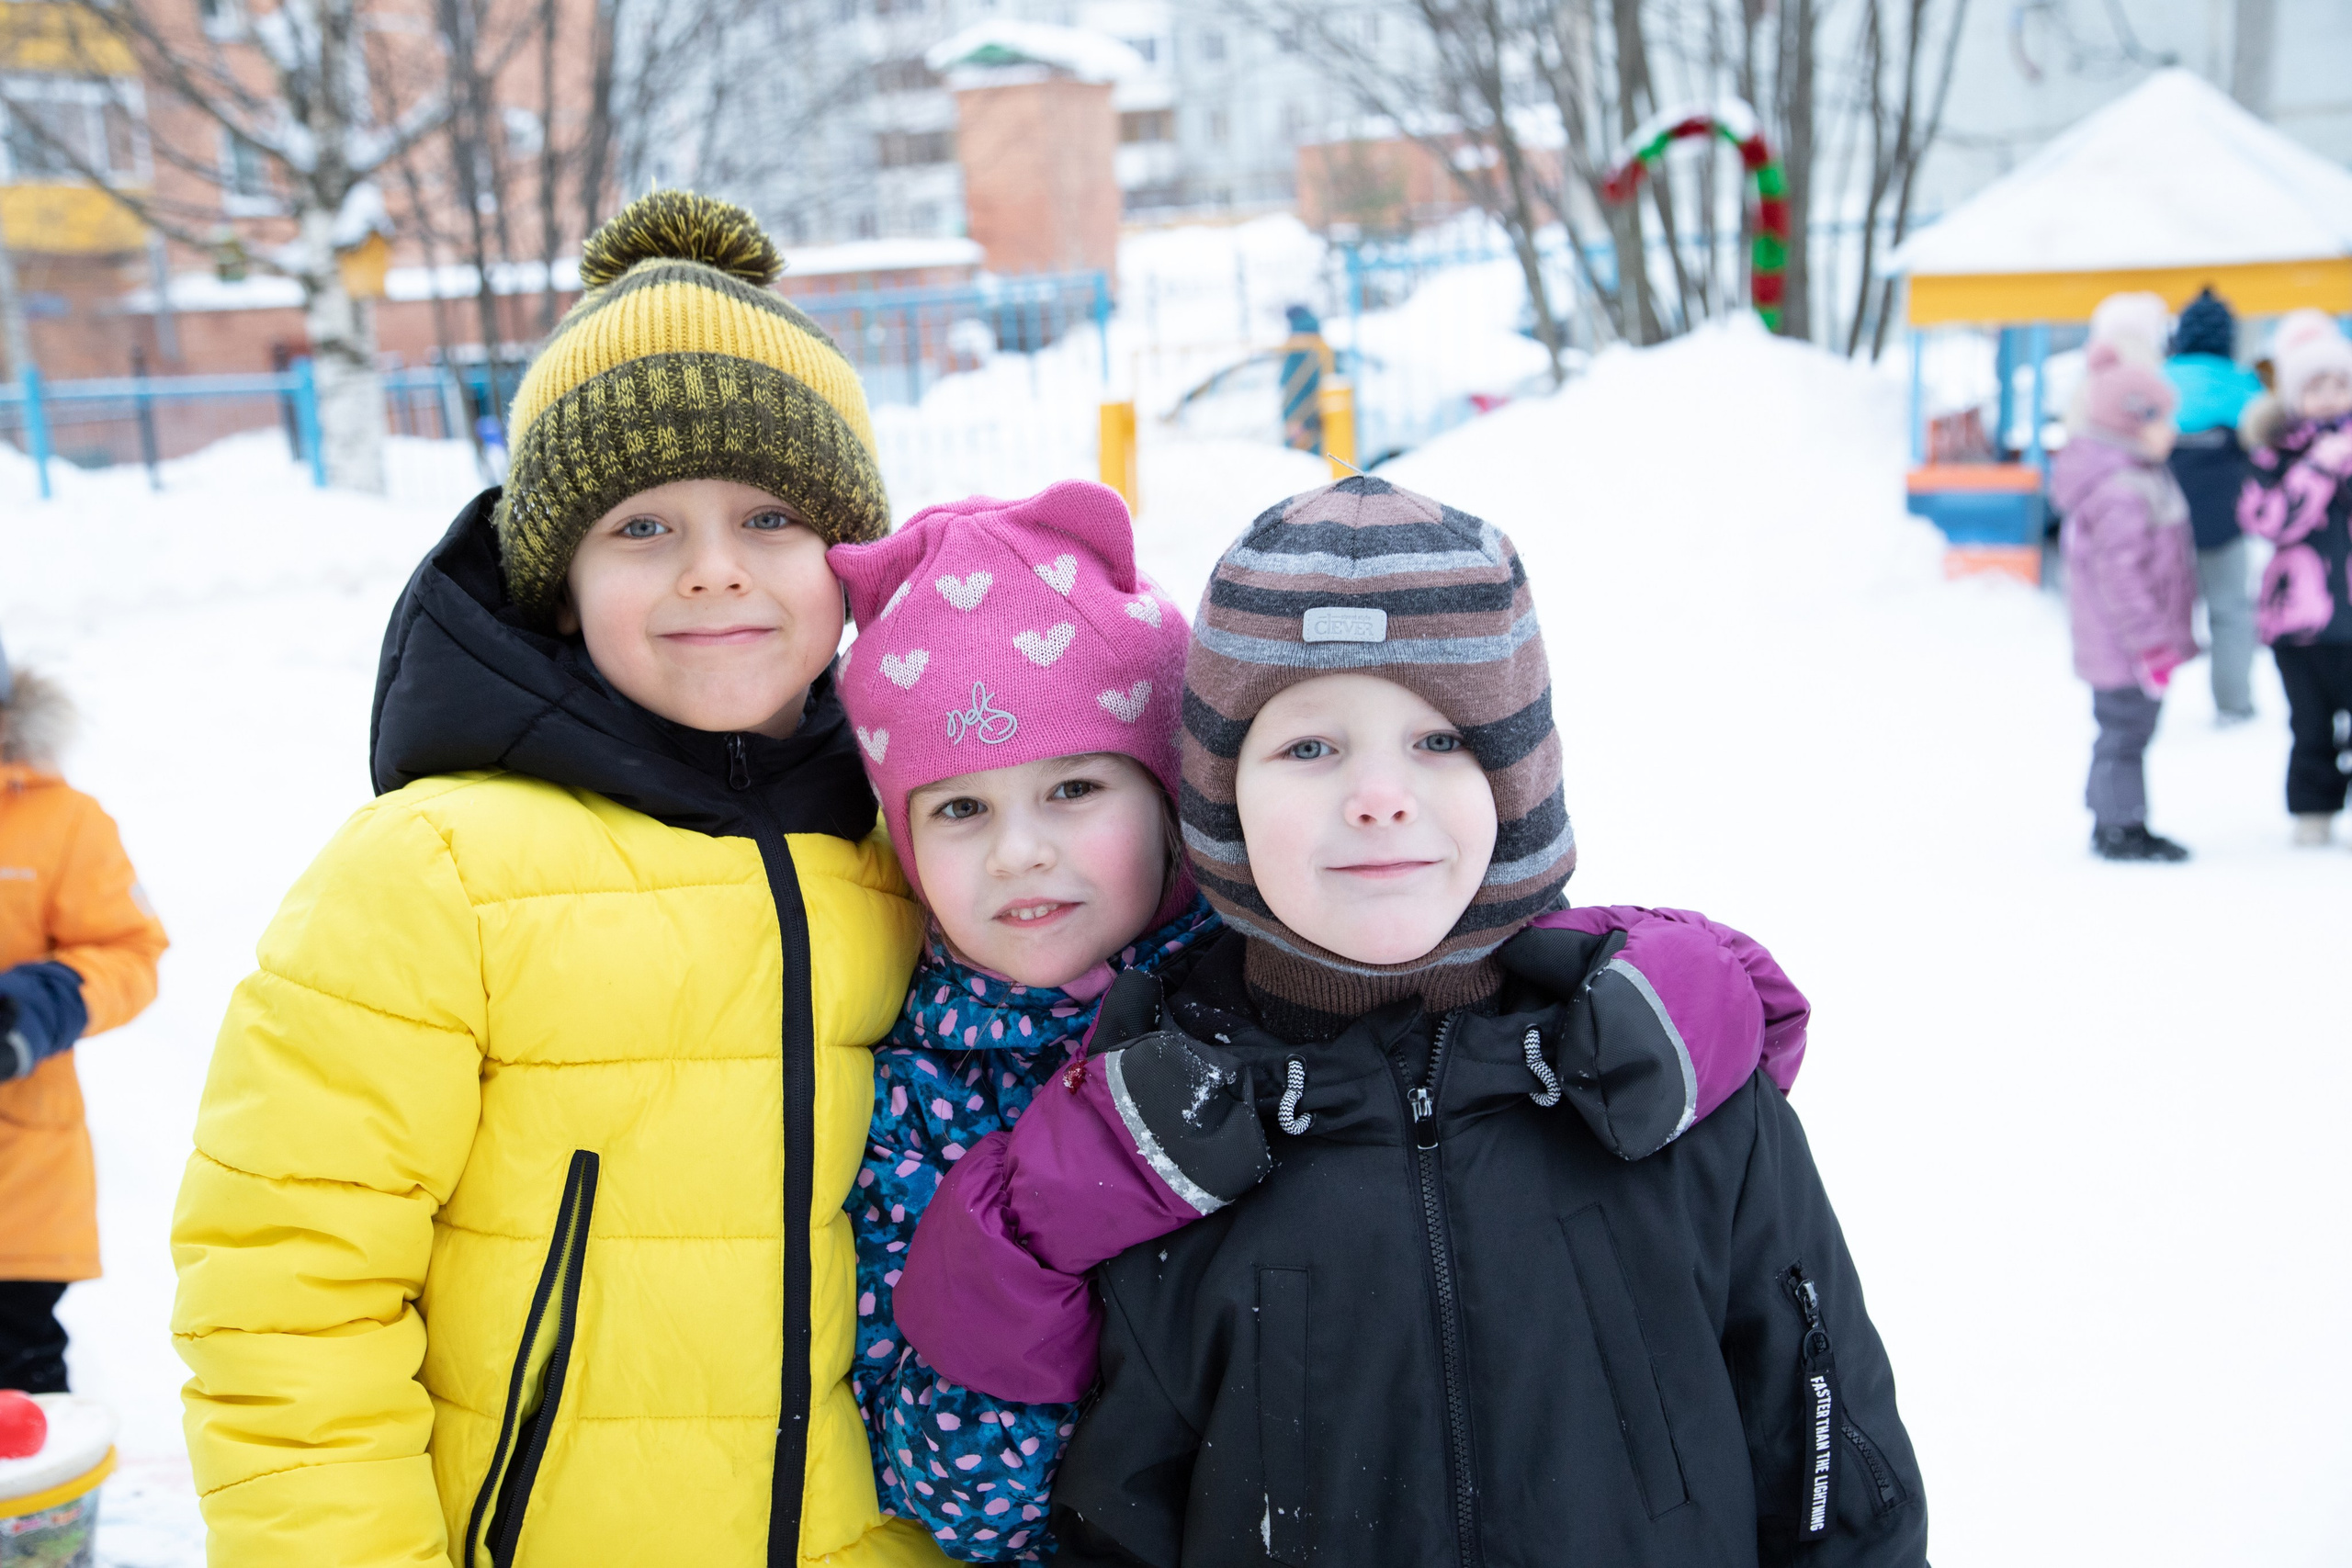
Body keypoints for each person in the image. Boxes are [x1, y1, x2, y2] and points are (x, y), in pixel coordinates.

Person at [168, 192, 953, 1567]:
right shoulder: (435, 874)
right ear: (559, 577)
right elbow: (286, 1297)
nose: (715, 572)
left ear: (848, 557)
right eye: (641, 527)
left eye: (771, 514)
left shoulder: (923, 851)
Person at [827, 481, 1810, 1563]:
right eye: (960, 809)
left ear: (1174, 799)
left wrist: (1698, 984)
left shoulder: (1263, 1026)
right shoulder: (925, 1089)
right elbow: (987, 1500)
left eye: (1074, 789)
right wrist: (1031, 1236)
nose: (1020, 853)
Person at [1041, 476, 1922, 1566]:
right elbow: (1116, 1520)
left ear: (1521, 777)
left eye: (1442, 741)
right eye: (1309, 749)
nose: (1378, 796)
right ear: (1218, 803)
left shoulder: (1673, 1089)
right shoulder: (1159, 1133)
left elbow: (1832, 1467)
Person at [0, 635, 167, 1395]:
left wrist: (47, 1000)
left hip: (16, 1180)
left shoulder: (64, 823)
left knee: (21, 1410)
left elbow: (131, 952)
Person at [2052, 342, 2199, 863]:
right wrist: (2152, 646)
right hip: (2126, 646)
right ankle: (2121, 827)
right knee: (2126, 733)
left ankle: (2110, 815)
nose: (2173, 430)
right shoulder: (2123, 489)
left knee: (2120, 731)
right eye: (2162, 419)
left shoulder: (2134, 476)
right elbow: (2122, 580)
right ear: (2129, 422)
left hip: (2123, 644)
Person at [2237, 309, 2352, 847]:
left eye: (2340, 383)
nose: (2329, 396)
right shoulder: (2276, 454)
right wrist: (2319, 468)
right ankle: (2313, 811)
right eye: (2316, 385)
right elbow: (2268, 519)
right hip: (2299, 623)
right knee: (2310, 726)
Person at [2165, 288, 2265, 722]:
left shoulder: (2159, 380)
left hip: (2164, 521)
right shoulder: (2243, 384)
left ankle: (2149, 703)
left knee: (2161, 613)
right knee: (2230, 614)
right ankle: (2234, 704)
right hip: (2227, 520)